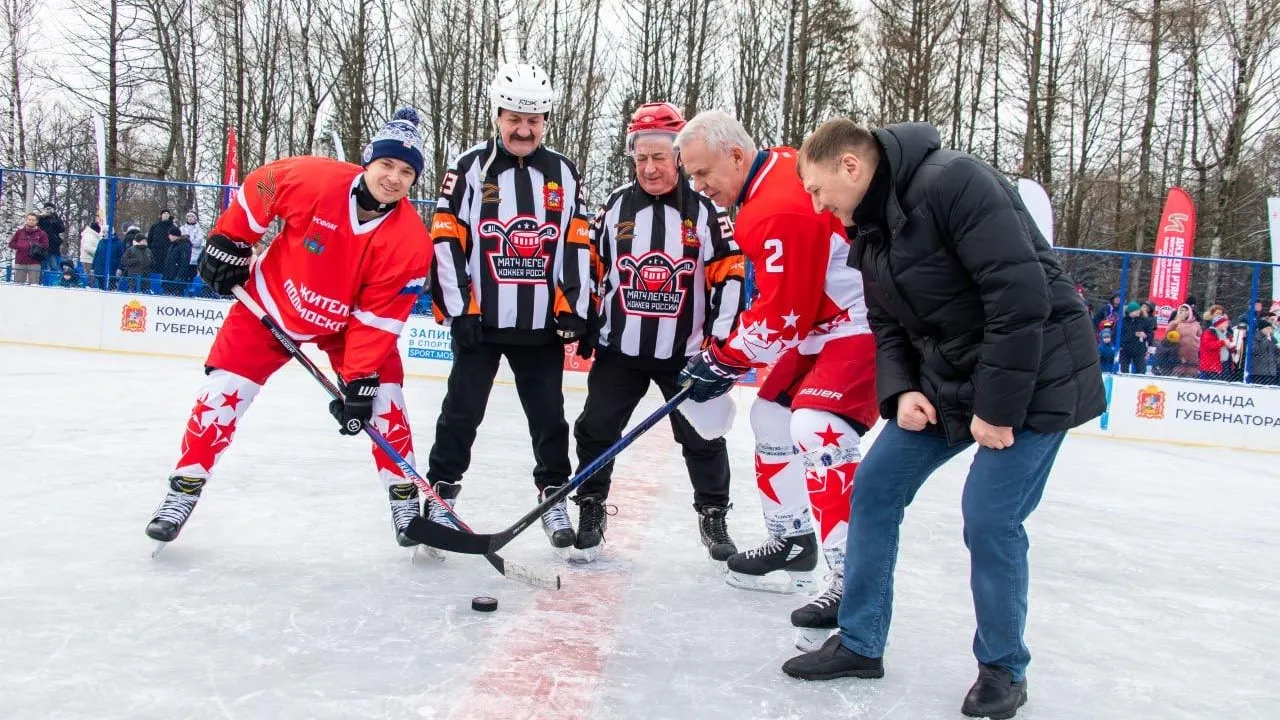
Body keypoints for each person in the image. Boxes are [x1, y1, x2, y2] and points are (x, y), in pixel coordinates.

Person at [778, 118, 1105, 720]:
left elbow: (1020, 298)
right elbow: (885, 322)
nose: (817, 205)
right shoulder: (867, 228)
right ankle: (859, 641)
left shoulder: (957, 182)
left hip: (1035, 376)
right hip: (950, 379)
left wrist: (997, 410)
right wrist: (900, 390)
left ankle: (1003, 668)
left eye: (819, 189)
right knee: (875, 486)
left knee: (990, 516)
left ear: (851, 166)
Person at [143, 108, 434, 548]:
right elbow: (263, 183)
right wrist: (232, 238)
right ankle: (182, 492)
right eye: (387, 164)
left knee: (385, 402)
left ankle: (404, 501)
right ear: (368, 160)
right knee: (222, 394)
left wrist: (360, 381)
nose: (393, 178)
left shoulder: (411, 242)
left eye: (406, 172)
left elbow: (378, 318)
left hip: (345, 327)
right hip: (270, 304)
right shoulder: (317, 180)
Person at [673, 110, 879, 642]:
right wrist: (728, 356)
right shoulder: (778, 168)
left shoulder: (771, 209)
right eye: (691, 176)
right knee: (769, 417)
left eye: (703, 173)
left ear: (736, 155)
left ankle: (849, 578)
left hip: (858, 321)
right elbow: (789, 312)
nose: (699, 186)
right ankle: (793, 539)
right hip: (823, 325)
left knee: (816, 428)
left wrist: (723, 358)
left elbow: (783, 315)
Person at [424, 63, 594, 552]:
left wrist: (573, 305)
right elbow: (446, 238)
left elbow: (576, 240)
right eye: (514, 118)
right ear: (497, 116)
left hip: (540, 325)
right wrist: (461, 308)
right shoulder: (469, 167)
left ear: (545, 121)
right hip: (481, 321)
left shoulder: (563, 172)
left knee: (549, 417)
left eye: (533, 120)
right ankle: (440, 496)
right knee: (461, 412)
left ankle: (553, 495)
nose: (523, 130)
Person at [570, 102, 746, 563]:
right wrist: (586, 319)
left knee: (703, 437)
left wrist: (719, 343)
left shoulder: (706, 210)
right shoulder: (615, 205)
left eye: (660, 157)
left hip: (686, 355)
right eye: (641, 158)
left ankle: (713, 513)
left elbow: (730, 275)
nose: (649, 168)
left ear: (679, 156)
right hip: (620, 350)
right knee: (596, 429)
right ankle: (590, 504)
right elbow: (593, 267)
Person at [9, 213, 49, 285]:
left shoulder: (42, 233)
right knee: (17, 285)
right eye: (29, 219)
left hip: (34, 262)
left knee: (34, 285)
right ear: (26, 220)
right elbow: (11, 244)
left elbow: (45, 245)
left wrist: (36, 247)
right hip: (20, 261)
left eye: (33, 220)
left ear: (36, 221)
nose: (31, 221)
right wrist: (20, 246)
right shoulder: (19, 232)